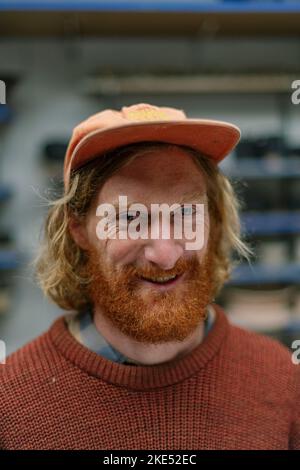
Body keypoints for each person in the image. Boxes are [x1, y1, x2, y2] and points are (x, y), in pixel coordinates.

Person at [0, 103, 299, 450]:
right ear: (78, 229)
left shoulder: (282, 383)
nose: (165, 254)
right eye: (129, 218)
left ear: (214, 221)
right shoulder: (11, 406)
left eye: (186, 212)